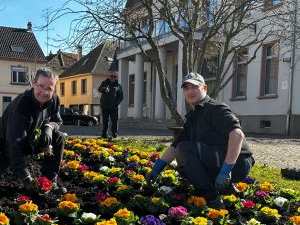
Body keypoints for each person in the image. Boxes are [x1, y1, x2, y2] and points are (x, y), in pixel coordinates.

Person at [146, 72, 254, 208]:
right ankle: (225, 189)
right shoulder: (194, 116)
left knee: (185, 151)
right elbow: (175, 146)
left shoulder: (215, 108)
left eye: (194, 87)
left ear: (204, 88)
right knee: (183, 161)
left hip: (237, 164)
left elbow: (237, 135)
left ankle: (212, 198)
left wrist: (226, 170)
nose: (190, 91)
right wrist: (156, 169)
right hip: (219, 160)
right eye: (186, 88)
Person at [98, 71, 124, 139]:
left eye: (114, 76)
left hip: (113, 107)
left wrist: (116, 104)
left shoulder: (118, 86)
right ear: (109, 76)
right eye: (111, 76)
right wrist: (104, 89)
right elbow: (99, 89)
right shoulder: (104, 83)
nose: (113, 77)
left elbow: (121, 97)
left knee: (114, 121)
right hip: (105, 106)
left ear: (116, 77)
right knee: (105, 121)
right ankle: (104, 134)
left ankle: (114, 133)